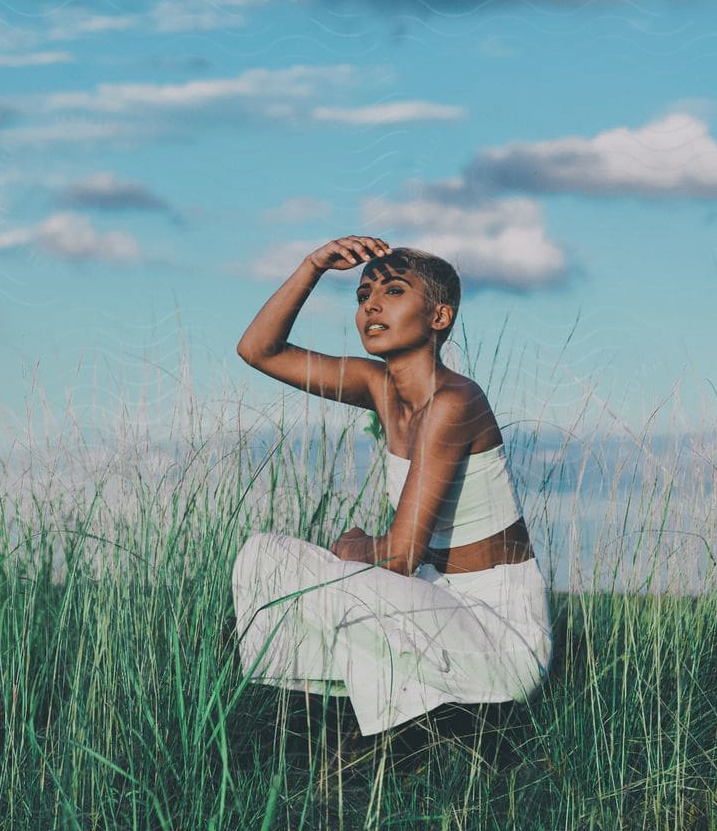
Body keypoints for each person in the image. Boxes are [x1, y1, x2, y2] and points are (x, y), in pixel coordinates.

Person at [230, 235, 552, 738]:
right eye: (362, 296)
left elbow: (400, 557)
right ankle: (377, 729)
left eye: (394, 291)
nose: (372, 305)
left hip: (497, 632)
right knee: (263, 556)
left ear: (439, 318)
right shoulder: (379, 386)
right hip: (433, 601)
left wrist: (353, 546)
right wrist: (313, 266)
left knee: (345, 576)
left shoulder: (454, 401)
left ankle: (424, 734)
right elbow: (258, 350)